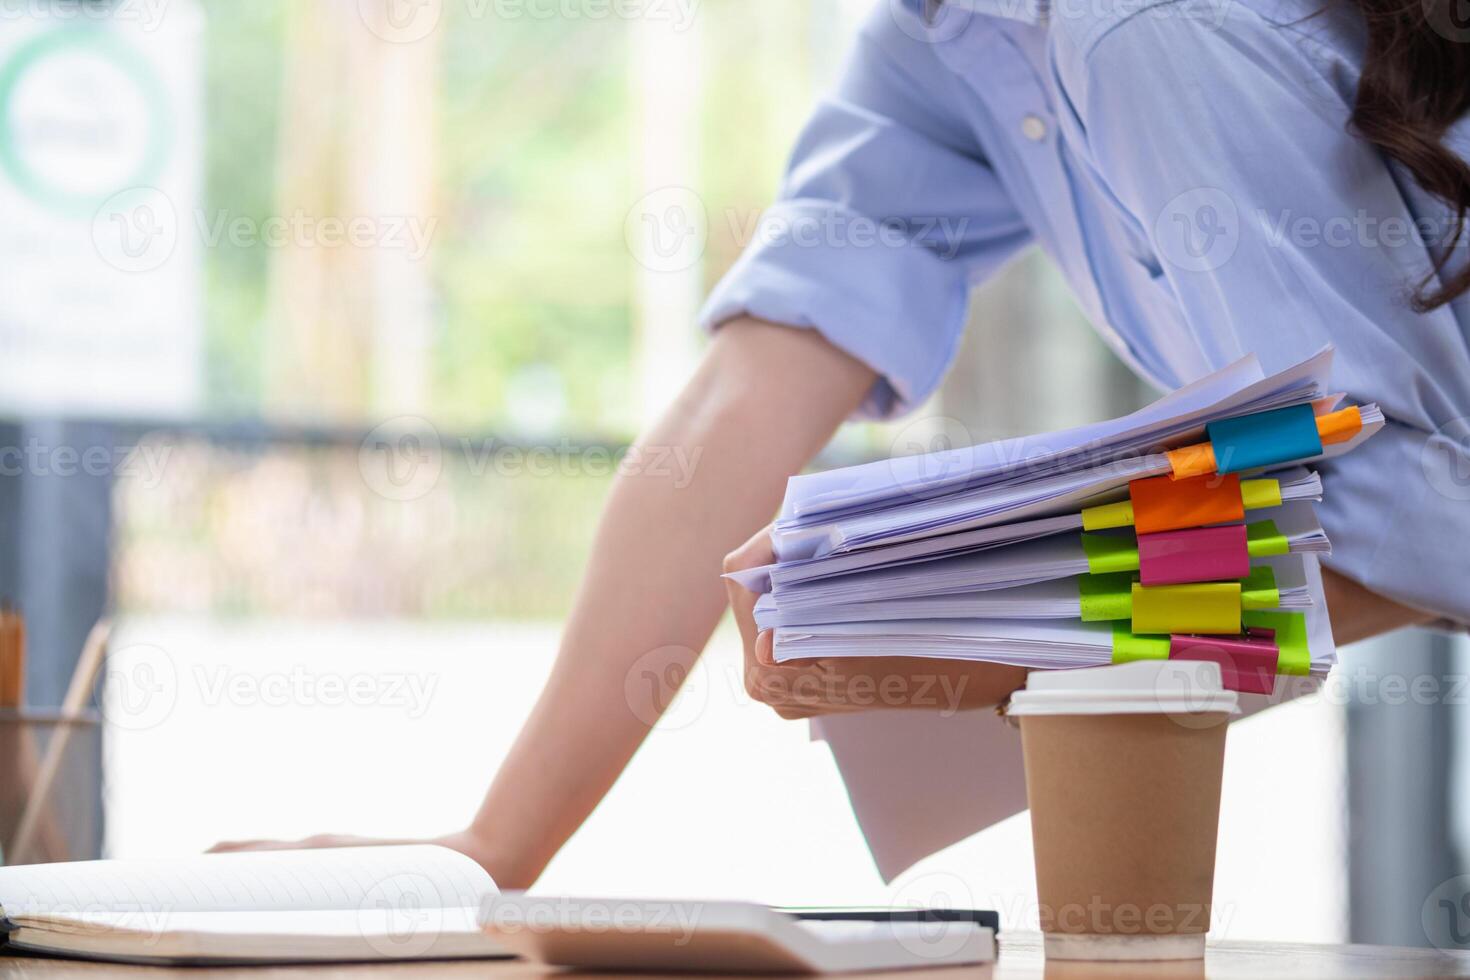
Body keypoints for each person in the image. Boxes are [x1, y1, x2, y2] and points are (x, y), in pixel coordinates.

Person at [214, 0, 1470, 887]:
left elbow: (1427, 511)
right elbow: (741, 399)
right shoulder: (955, 37)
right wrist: (490, 851)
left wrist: (987, 631)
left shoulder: (1141, 27)